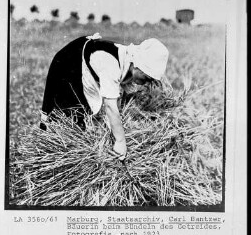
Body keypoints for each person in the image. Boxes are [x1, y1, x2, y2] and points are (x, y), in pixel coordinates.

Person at [40, 33, 169, 161]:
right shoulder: (111, 64)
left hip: (82, 60)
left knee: (80, 116)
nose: (146, 83)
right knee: (66, 115)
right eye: (146, 78)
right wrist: (120, 141)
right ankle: (48, 153)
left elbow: (119, 95)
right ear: (138, 65)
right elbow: (110, 106)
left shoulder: (129, 61)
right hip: (68, 63)